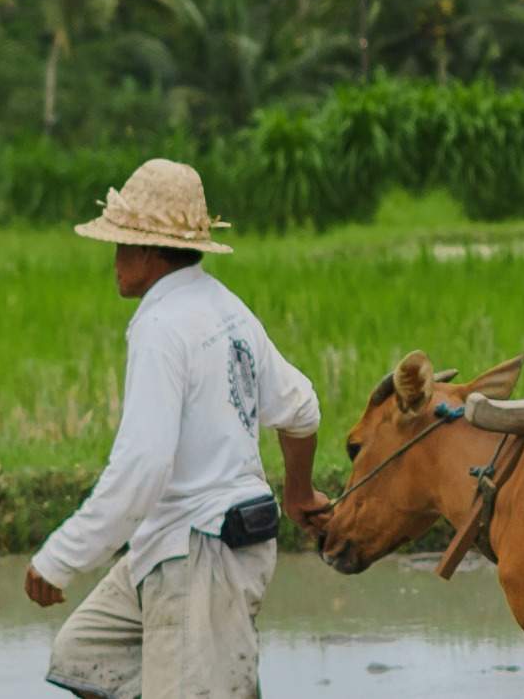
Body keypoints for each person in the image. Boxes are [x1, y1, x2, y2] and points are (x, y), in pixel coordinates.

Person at [23, 158, 329, 699]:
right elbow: (301, 408)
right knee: (85, 656)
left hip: (201, 555)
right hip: (177, 544)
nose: (114, 261)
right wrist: (299, 492)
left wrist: (60, 558)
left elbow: (142, 468)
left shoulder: (161, 328)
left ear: (148, 251)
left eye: (122, 245)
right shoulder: (225, 307)